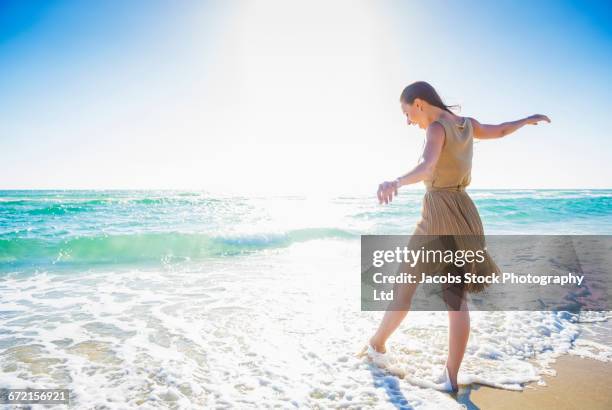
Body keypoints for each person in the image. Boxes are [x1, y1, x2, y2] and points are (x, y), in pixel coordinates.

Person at [361, 81, 550, 392]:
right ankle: (446, 375)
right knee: (455, 297)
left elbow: (426, 166)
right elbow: (500, 130)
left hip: (438, 216)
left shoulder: (436, 128)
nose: (409, 121)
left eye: (407, 113)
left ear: (419, 103)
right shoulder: (466, 125)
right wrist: (524, 121)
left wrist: (396, 181)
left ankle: (377, 346)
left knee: (406, 285)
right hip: (465, 212)